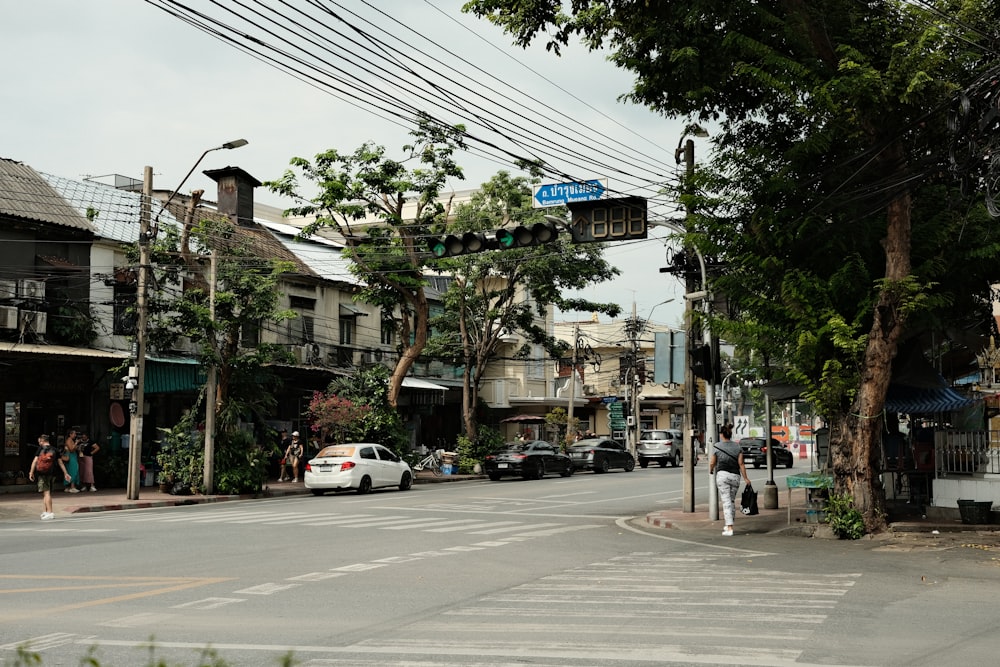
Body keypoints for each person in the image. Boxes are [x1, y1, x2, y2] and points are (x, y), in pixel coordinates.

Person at [708, 423, 751, 536]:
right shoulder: (738, 447)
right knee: (731, 501)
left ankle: (730, 528)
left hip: (722, 475)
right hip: (735, 477)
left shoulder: (717, 446)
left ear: (722, 435)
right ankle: (728, 525)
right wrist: (746, 478)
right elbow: (741, 464)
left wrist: (711, 470)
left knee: (726, 502)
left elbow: (712, 462)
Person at [28, 433, 71, 520]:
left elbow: (35, 461)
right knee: (47, 492)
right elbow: (60, 463)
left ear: (42, 440)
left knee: (46, 493)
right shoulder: (55, 449)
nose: (39, 442)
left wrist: (31, 472)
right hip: (52, 473)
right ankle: (45, 511)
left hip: (42, 474)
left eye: (39, 441)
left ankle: (50, 512)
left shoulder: (40, 449)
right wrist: (66, 473)